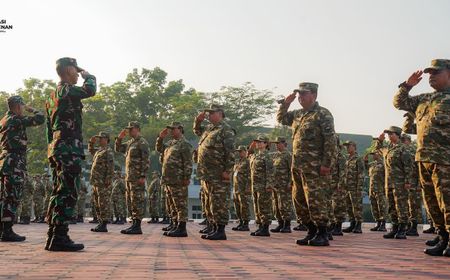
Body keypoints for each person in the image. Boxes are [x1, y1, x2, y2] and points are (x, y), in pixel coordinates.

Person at [393, 59, 450, 256]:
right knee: (432, 203)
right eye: (429, 73)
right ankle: (443, 238)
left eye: (436, 72)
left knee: (448, 202)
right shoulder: (424, 99)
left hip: (446, 161)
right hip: (424, 159)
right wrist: (407, 85)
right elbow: (398, 103)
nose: (431, 76)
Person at [277, 82, 337, 246]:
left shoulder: (322, 114)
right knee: (299, 200)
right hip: (297, 166)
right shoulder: (297, 114)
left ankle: (323, 233)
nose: (300, 97)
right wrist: (286, 103)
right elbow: (281, 118)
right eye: (299, 94)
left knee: (316, 200)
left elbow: (330, 141)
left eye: (304, 94)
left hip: (315, 167)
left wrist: (327, 164)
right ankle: (311, 231)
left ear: (314, 95)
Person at [45, 57, 96, 251]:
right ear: (68, 70)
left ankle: (53, 235)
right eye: (75, 70)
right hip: (68, 149)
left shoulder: (52, 96)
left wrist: (51, 150)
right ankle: (60, 237)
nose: (78, 74)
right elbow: (90, 90)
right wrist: (89, 76)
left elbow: (48, 129)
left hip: (57, 148)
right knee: (68, 191)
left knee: (59, 191)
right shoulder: (67, 90)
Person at [0, 95, 44, 241]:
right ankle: (7, 231)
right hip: (14, 162)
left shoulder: (4, 120)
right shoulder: (16, 119)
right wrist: (33, 109)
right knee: (12, 196)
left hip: (5, 161)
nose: (23, 109)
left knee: (4, 196)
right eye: (22, 106)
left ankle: (3, 229)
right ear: (18, 106)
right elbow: (40, 119)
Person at [193, 104, 236, 241]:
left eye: (212, 113)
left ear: (220, 113)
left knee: (219, 202)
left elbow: (230, 152)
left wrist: (228, 170)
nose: (209, 115)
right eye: (208, 113)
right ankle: (213, 227)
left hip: (218, 173)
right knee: (210, 202)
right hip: (207, 173)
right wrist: (198, 120)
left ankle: (220, 230)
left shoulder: (226, 130)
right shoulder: (210, 129)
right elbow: (197, 131)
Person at [156, 122, 193, 237]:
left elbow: (187, 162)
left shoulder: (184, 144)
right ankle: (175, 224)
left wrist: (186, 177)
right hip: (169, 179)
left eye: (173, 129)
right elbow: (159, 149)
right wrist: (160, 138)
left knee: (180, 204)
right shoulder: (171, 143)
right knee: (171, 204)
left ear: (180, 129)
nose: (171, 131)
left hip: (178, 179)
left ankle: (182, 228)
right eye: (170, 129)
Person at [375, 126, 413, 240]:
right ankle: (395, 228)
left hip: (400, 183)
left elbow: (408, 166)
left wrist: (407, 181)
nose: (389, 136)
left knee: (401, 206)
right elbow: (379, 149)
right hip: (389, 183)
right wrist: (380, 140)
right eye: (388, 134)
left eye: (391, 134)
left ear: (397, 135)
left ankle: (402, 229)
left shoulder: (403, 149)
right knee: (391, 207)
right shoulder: (389, 148)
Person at [115, 121, 150, 234]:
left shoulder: (142, 142)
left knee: (137, 200)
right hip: (129, 177)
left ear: (137, 129)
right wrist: (119, 139)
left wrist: (142, 175)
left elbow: (145, 160)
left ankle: (137, 226)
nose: (129, 131)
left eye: (132, 129)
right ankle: (133, 224)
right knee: (130, 201)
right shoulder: (130, 142)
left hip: (137, 177)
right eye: (128, 129)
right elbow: (118, 149)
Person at [248, 134, 274, 237]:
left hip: (264, 186)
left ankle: (265, 228)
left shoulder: (267, 156)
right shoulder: (255, 155)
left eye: (260, 142)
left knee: (264, 207)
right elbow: (248, 154)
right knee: (257, 206)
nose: (258, 143)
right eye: (257, 142)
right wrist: (251, 147)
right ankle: (260, 226)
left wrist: (269, 185)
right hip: (255, 185)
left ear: (266, 144)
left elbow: (270, 172)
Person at [88, 131, 114, 232]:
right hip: (96, 181)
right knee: (97, 203)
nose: (100, 140)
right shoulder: (99, 150)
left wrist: (108, 179)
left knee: (103, 203)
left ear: (106, 139)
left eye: (101, 138)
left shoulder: (108, 151)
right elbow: (91, 151)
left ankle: (104, 224)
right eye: (99, 138)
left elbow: (110, 167)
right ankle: (100, 222)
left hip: (103, 182)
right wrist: (91, 142)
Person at [270, 137, 293, 233]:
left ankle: (287, 225)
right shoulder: (275, 155)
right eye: (275, 143)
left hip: (284, 185)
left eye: (278, 143)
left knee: (285, 205)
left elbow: (291, 170)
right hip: (276, 185)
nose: (276, 145)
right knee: (276, 205)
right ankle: (280, 223)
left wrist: (290, 182)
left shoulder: (288, 155)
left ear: (284, 144)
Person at [342, 141, 365, 234]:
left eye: (349, 146)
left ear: (354, 147)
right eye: (346, 146)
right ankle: (352, 223)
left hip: (355, 187)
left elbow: (361, 174)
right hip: (347, 187)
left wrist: (359, 188)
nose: (347, 148)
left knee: (357, 207)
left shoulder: (358, 159)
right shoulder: (347, 159)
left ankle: (358, 225)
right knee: (348, 207)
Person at [364, 151, 387, 232]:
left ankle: (383, 224)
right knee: (374, 207)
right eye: (373, 154)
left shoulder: (384, 164)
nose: (373, 155)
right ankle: (378, 223)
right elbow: (366, 167)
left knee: (382, 206)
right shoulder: (372, 164)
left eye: (375, 153)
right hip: (372, 189)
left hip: (380, 189)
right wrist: (366, 159)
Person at [232, 146, 251, 232]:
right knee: (237, 206)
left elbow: (250, 175)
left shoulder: (248, 162)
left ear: (245, 151)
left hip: (243, 187)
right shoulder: (238, 161)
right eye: (239, 151)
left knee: (244, 206)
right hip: (236, 187)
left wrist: (248, 187)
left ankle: (246, 224)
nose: (240, 153)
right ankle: (240, 222)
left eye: (241, 151)